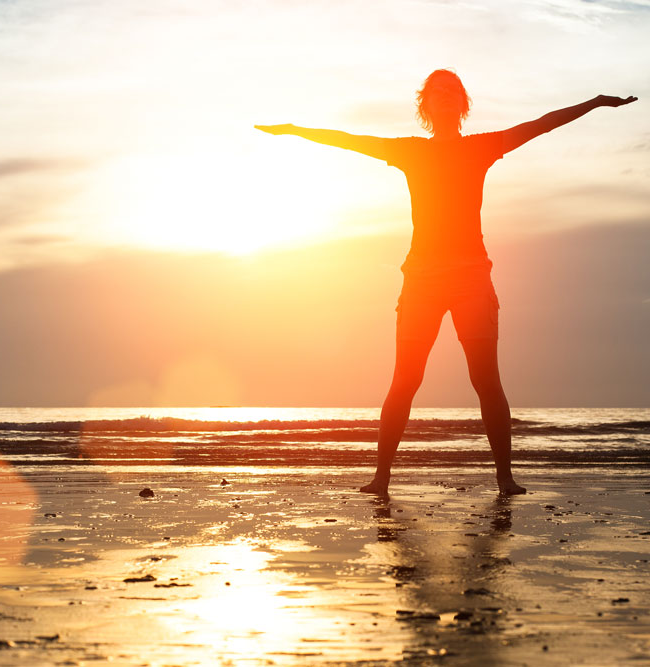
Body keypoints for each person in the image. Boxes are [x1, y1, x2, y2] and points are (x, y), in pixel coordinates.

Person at [255, 69, 637, 497]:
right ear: (426, 105)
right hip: (421, 278)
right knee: (405, 380)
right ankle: (381, 478)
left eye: (451, 92)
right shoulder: (410, 152)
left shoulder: (482, 147)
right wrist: (294, 131)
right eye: (436, 93)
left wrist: (594, 103)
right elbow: (350, 140)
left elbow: (539, 124)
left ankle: (505, 477)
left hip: (472, 276)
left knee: (486, 380)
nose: (443, 98)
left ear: (461, 103)